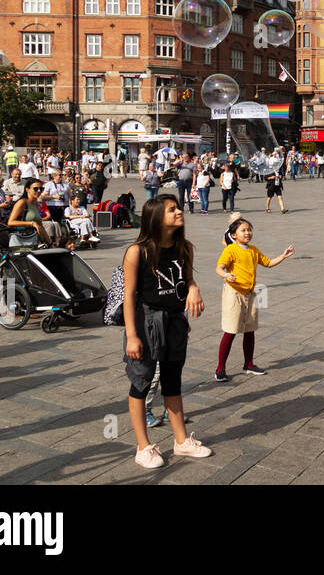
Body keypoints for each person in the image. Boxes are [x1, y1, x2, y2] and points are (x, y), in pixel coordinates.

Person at [122, 195, 211, 468]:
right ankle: (143, 446)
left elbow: (188, 279)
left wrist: (194, 288)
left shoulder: (184, 248)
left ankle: (181, 441)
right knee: (141, 381)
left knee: (173, 379)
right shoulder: (138, 251)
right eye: (172, 209)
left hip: (174, 320)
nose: (179, 211)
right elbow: (128, 296)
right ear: (156, 216)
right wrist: (132, 335)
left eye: (178, 207)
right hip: (147, 321)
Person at [215, 218, 294, 381]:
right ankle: (220, 369)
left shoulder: (253, 250)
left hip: (251, 293)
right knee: (230, 330)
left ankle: (248, 365)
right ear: (233, 234)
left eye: (249, 229)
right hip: (234, 292)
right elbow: (219, 268)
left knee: (250, 329)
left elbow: (268, 263)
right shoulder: (230, 250)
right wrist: (226, 275)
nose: (247, 233)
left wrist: (283, 256)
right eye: (243, 230)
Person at [7, 179, 52, 249]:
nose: (39, 191)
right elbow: (10, 222)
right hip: (20, 241)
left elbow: (41, 226)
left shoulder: (36, 204)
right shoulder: (22, 202)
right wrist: (31, 223)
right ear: (27, 189)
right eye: (35, 189)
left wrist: (50, 243)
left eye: (41, 189)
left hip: (33, 241)